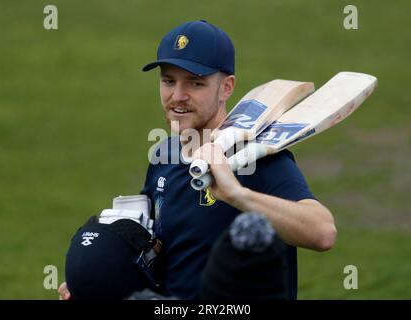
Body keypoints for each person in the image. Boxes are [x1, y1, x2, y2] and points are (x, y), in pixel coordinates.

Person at [59, 19, 336, 300]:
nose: (177, 96)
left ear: (227, 87)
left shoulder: (256, 157)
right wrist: (97, 281)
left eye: (195, 83)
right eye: (168, 81)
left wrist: (238, 195)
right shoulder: (163, 157)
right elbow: (157, 252)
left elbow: (322, 232)